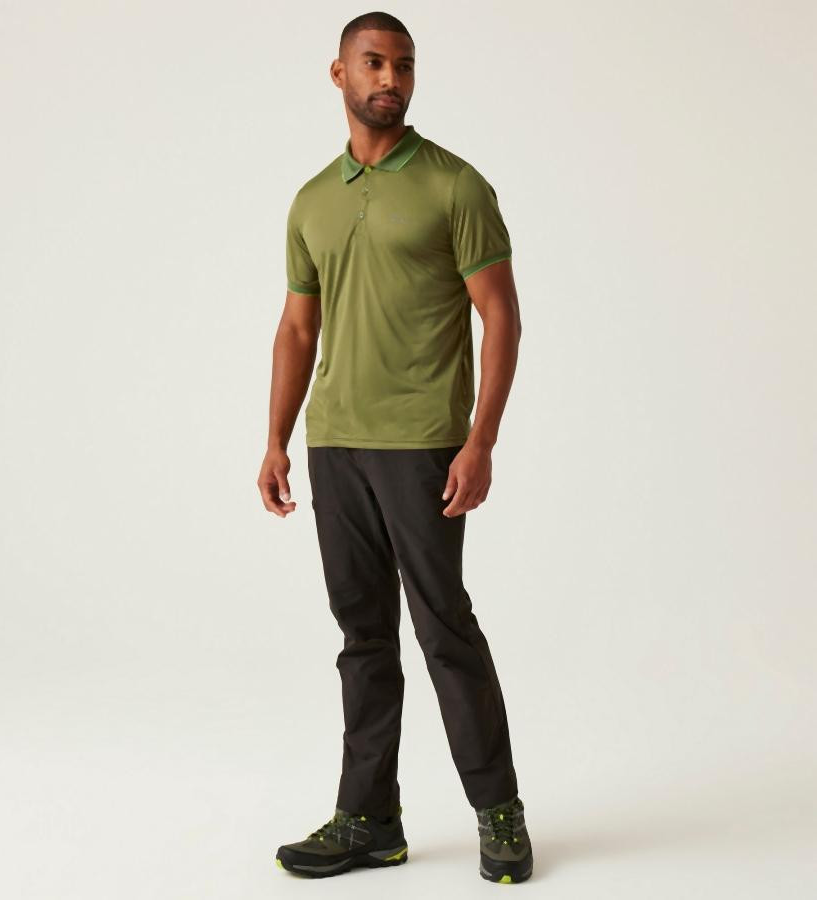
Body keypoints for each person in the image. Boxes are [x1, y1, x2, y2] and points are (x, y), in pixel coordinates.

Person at [258, 11, 532, 884]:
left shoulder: (455, 186)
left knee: (444, 626)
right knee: (363, 636)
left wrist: (480, 440)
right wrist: (275, 439)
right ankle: (369, 819)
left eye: (404, 65)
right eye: (374, 63)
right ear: (338, 74)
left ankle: (500, 812)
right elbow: (297, 329)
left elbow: (500, 316)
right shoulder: (312, 199)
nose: (391, 79)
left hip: (422, 444)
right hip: (335, 442)